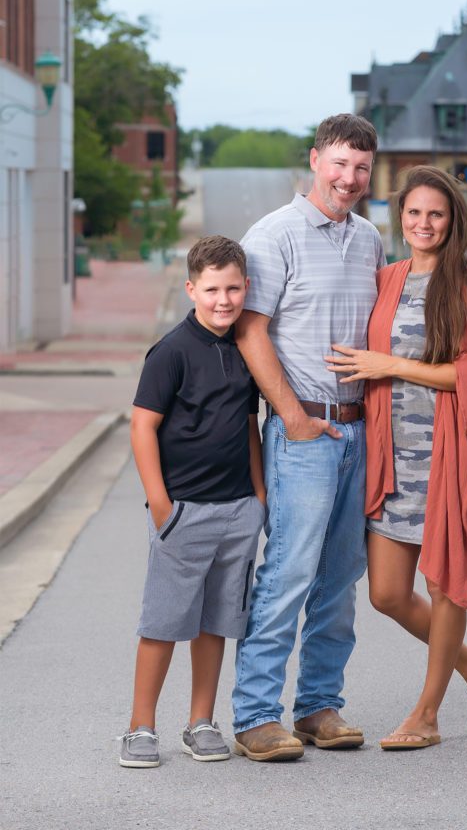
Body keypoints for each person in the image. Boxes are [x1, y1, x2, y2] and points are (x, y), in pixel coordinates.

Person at [327, 166, 467, 751]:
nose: (423, 223)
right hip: (392, 456)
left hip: (450, 454)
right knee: (388, 594)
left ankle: (427, 713)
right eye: (414, 213)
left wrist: (391, 366)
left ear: (452, 221)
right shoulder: (388, 278)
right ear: (399, 217)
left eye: (436, 214)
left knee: (445, 583)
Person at [231, 113, 385, 762]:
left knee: (340, 578)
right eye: (340, 164)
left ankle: (320, 705)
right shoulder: (275, 234)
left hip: (359, 429)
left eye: (361, 169)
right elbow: (249, 331)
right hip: (305, 432)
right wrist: (291, 416)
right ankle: (256, 715)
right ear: (316, 159)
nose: (349, 179)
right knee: (289, 572)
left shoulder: (372, 238)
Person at [119, 236, 265, 768]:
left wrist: (259, 496)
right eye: (212, 290)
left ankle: (200, 721)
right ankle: (139, 728)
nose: (223, 300)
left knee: (216, 622)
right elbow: (142, 426)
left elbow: (249, 425)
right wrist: (161, 505)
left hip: (238, 510)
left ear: (245, 287)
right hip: (184, 511)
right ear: (191, 289)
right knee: (163, 622)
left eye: (232, 288)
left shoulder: (247, 349)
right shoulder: (172, 351)